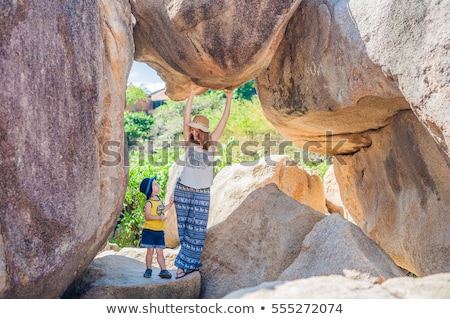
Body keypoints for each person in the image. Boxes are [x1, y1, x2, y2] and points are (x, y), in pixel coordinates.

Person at [174, 83, 234, 279]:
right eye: (192, 130)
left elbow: (224, 120)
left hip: (202, 193)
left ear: (204, 132)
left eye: (196, 130)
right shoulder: (188, 144)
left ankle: (184, 266)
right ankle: (188, 265)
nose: (192, 132)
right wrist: (191, 94)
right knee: (183, 231)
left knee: (197, 232)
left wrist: (229, 98)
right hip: (183, 189)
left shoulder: (212, 144)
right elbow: (185, 118)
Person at [139, 177, 174, 279]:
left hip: (159, 231)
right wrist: (159, 218)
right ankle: (148, 269)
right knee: (150, 251)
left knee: (160, 252)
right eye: (154, 184)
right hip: (150, 231)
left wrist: (170, 204)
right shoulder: (149, 203)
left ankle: (163, 270)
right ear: (150, 190)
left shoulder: (158, 200)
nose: (157, 185)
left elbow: (162, 209)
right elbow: (147, 216)